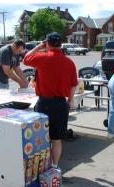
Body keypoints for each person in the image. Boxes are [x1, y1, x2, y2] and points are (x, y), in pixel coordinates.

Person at [23, 32, 78, 168]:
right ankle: (54, 166)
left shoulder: (42, 58)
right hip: (61, 104)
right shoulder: (69, 62)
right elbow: (73, 84)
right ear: (61, 45)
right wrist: (70, 101)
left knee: (41, 137)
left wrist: (39, 46)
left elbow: (26, 58)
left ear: (47, 44)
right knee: (57, 139)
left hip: (44, 103)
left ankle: (42, 166)